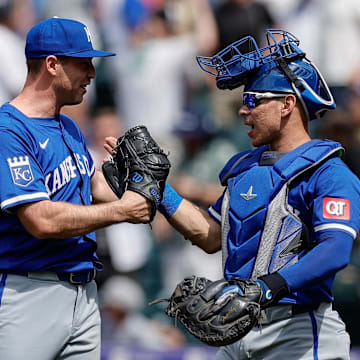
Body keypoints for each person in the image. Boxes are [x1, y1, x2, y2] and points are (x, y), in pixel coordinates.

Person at [138, 29, 360, 359]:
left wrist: (265, 288)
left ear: (287, 104)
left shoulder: (329, 171)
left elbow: (335, 251)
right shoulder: (245, 168)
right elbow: (211, 235)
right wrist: (158, 190)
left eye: (253, 100)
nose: (244, 111)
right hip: (237, 332)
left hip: (298, 332)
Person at [0, 17, 154, 360]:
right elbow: (42, 220)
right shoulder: (8, 131)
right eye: (83, 63)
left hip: (84, 292)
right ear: (52, 65)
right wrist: (122, 211)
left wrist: (140, 182)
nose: (92, 73)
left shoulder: (67, 125)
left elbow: (96, 187)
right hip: (28, 292)